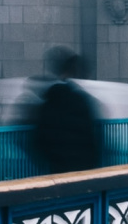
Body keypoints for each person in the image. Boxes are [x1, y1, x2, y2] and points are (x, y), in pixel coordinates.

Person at [29, 46, 105, 174]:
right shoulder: (82, 99)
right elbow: (92, 136)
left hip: (59, 167)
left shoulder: (49, 101)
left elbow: (40, 138)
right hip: (84, 165)